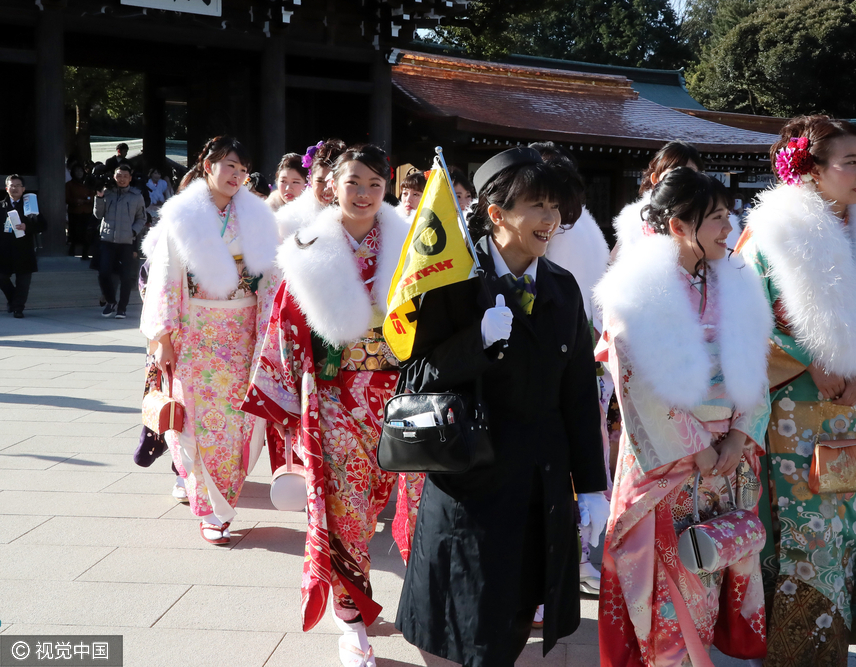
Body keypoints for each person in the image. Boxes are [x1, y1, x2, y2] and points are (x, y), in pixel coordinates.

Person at [394, 146, 607, 667]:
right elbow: (413, 378)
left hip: (539, 484)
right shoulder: (451, 281)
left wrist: (595, 486)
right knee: (458, 620)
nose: (550, 220)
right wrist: (478, 343)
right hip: (470, 482)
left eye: (555, 208)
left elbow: (578, 391)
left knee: (512, 617)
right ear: (496, 213)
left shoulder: (562, 287)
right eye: (537, 205)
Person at [737, 115, 856, 665]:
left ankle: (828, 644)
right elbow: (744, 316)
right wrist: (811, 358)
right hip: (791, 408)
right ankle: (793, 647)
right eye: (849, 162)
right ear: (811, 169)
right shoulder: (770, 234)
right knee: (799, 531)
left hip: (849, 408)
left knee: (842, 530)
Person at [241, 144, 418, 667]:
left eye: (374, 185)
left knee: (378, 503)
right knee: (342, 507)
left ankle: (365, 598)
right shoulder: (307, 244)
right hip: (334, 394)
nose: (363, 194)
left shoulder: (410, 244)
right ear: (331, 186)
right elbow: (284, 322)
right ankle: (351, 619)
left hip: (395, 393)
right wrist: (286, 405)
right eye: (353, 183)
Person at [595, 167, 773, 667]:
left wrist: (740, 434)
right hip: (669, 458)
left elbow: (755, 362)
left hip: (723, 459)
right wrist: (697, 445)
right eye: (716, 218)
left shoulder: (737, 279)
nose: (729, 227)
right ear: (678, 225)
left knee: (708, 571)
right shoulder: (638, 287)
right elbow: (638, 380)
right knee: (665, 585)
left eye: (728, 215)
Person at [142, 136, 278, 546]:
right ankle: (211, 509)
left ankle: (227, 496)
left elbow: (272, 276)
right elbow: (165, 277)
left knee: (240, 422)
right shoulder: (181, 216)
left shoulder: (256, 215)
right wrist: (162, 336)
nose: (236, 175)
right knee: (196, 424)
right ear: (208, 166)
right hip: (197, 330)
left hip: (243, 333)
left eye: (242, 169)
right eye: (229, 166)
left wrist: (271, 332)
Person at [531, 141, 612, 599]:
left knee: (568, 460)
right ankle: (573, 558)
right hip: (584, 356)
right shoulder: (586, 229)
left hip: (572, 358)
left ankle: (570, 559)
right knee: (577, 455)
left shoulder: (562, 231)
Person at [613, 140, 703, 252]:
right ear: (655, 179)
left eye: (689, 174)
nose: (680, 180)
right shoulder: (634, 221)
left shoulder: (711, 214)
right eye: (672, 174)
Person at [94, 163, 147, 319]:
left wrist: (133, 231)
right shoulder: (107, 192)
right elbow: (98, 215)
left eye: (125, 176)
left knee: (125, 277)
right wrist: (99, 198)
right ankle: (111, 301)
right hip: (107, 239)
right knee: (103, 272)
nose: (122, 179)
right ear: (114, 177)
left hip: (126, 241)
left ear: (130, 178)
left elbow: (142, 218)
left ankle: (122, 308)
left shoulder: (136, 196)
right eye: (119, 176)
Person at [1, 175, 46, 318]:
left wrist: (28, 226)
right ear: (6, 188)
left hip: (24, 249)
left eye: (17, 185)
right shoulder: (1, 206)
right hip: (4, 249)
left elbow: (43, 225)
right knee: (1, 277)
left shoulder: (30, 206)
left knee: (23, 282)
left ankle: (18, 308)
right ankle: (14, 301)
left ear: (23, 189)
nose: (14, 188)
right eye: (11, 186)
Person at [66, 163, 94, 258]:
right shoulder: (69, 185)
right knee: (74, 231)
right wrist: (76, 201)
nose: (79, 173)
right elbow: (67, 198)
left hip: (87, 211)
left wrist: (87, 199)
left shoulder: (88, 184)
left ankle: (85, 252)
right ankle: (72, 249)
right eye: (76, 171)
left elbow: (93, 196)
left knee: (87, 232)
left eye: (80, 171)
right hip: (74, 211)